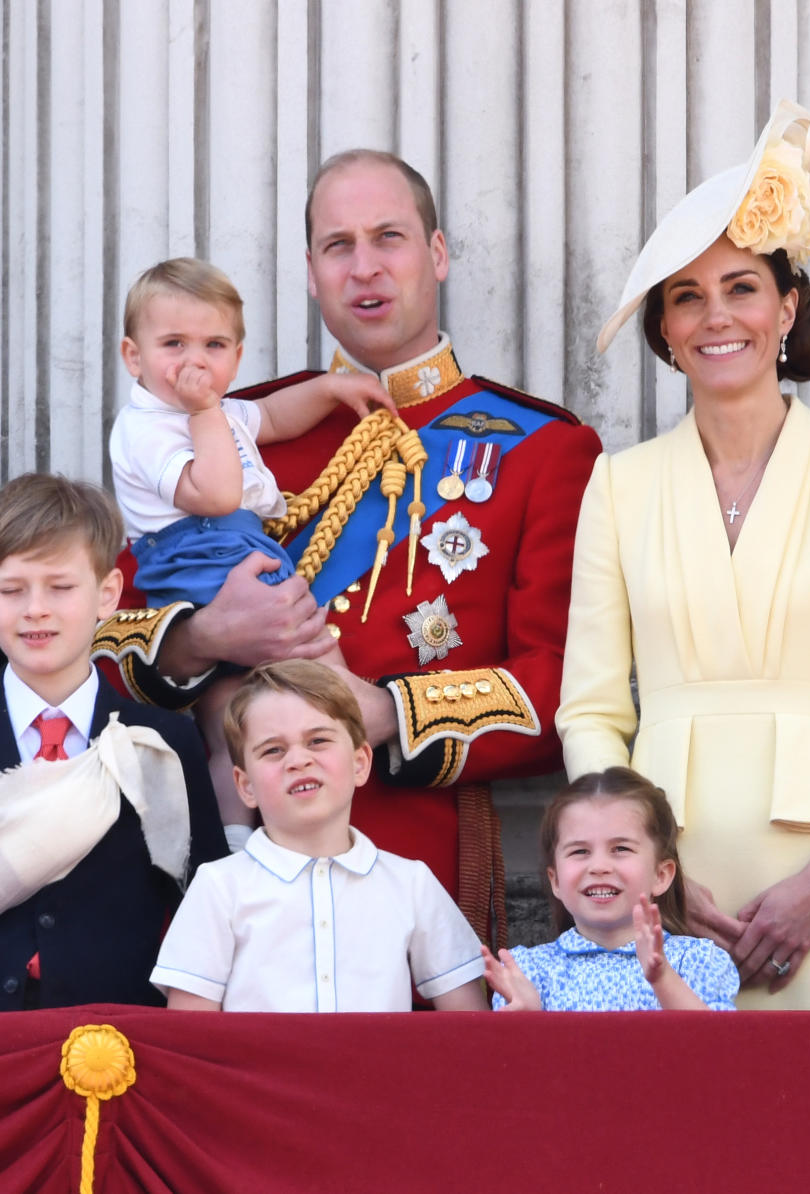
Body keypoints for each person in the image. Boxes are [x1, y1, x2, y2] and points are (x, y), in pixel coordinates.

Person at [94, 149, 603, 944]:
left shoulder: (542, 449)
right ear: (310, 270)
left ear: (435, 255)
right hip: (225, 875)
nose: (364, 268)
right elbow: (95, 632)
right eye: (339, 246)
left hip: (407, 868)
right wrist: (200, 638)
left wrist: (386, 711)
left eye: (389, 238)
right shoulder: (227, 429)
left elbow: (567, 689)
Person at [555, 99, 810, 1009]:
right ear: (665, 332)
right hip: (662, 895)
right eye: (686, 296)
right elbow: (590, 710)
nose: (715, 315)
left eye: (741, 287)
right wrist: (646, 876)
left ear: (786, 306)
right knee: (668, 1144)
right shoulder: (620, 485)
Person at [111, 257, 395, 834]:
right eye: (173, 344)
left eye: (214, 345)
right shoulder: (147, 426)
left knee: (225, 719)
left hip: (219, 550)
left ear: (236, 358)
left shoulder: (217, 410)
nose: (194, 361)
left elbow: (271, 416)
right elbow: (216, 494)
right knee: (301, 630)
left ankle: (234, 840)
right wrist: (205, 411)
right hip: (203, 552)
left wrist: (328, 388)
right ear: (133, 357)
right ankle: (349, 703)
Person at [0, 473, 226, 1011]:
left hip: (125, 1052)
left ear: (107, 595)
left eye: (61, 587)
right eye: (12, 589)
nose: (35, 608)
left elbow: (210, 908)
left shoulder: (163, 742)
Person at [152, 659, 487, 1012]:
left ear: (360, 763)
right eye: (273, 750)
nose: (297, 760)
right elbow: (190, 1034)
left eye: (318, 740)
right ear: (245, 786)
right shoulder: (218, 887)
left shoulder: (412, 884)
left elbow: (468, 1025)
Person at [483, 767, 738, 1011]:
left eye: (621, 849)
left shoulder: (697, 961)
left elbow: (718, 1048)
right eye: (580, 851)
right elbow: (511, 1055)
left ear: (661, 875)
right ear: (556, 880)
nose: (599, 866)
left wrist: (662, 979)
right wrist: (528, 1019)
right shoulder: (528, 971)